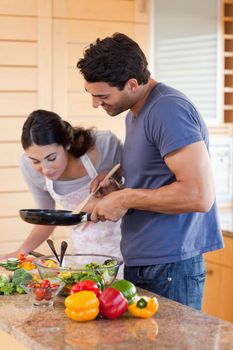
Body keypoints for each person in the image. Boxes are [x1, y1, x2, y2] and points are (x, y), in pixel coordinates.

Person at [76, 32, 224, 310]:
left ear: (132, 83)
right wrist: (116, 190)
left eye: (102, 96)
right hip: (148, 262)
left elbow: (198, 195)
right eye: (91, 95)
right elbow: (157, 183)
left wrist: (125, 199)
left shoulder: (168, 109)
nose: (95, 104)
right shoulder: (137, 111)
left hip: (170, 267)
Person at [0, 109, 123, 264]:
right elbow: (48, 218)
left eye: (51, 158)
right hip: (82, 251)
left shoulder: (105, 146)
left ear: (67, 144)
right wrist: (21, 252)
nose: (45, 169)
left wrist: (116, 189)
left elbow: (138, 189)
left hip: (124, 246)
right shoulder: (27, 166)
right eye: (35, 161)